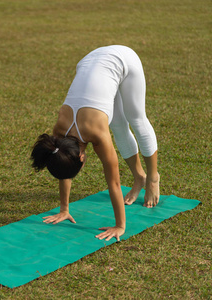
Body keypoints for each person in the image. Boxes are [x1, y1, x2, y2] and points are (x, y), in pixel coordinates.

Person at [31, 45, 160, 241]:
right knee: (117, 125)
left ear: (82, 156)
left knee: (136, 118)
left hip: (123, 59)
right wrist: (64, 209)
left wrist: (120, 226)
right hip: (89, 63)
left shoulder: (97, 133)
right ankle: (138, 177)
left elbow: (114, 182)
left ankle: (152, 177)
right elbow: (61, 160)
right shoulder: (59, 136)